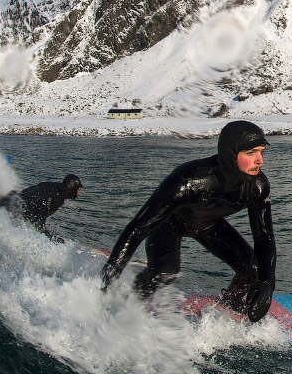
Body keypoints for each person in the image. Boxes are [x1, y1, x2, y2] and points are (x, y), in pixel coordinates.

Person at [101, 120, 276, 323]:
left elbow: (264, 237)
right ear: (231, 153)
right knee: (165, 271)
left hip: (208, 224)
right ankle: (128, 305)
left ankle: (230, 306)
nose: (260, 160)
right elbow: (137, 228)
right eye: (251, 153)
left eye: (262, 152)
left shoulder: (258, 187)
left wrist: (267, 283)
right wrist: (110, 274)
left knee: (253, 270)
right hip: (169, 224)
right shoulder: (190, 181)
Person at [0, 174, 83, 236]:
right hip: (19, 206)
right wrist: (43, 231)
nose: (78, 194)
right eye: (78, 190)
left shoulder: (51, 185)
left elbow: (31, 191)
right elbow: (43, 208)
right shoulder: (61, 195)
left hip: (13, 197)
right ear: (73, 187)